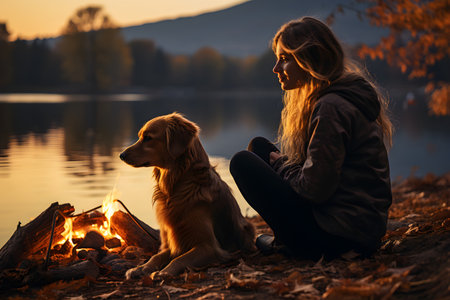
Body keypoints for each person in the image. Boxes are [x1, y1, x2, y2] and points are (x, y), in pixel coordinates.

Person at [229, 17, 393, 260]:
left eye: (284, 59)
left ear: (309, 59)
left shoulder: (331, 106)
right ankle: (286, 238)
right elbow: (320, 176)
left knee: (242, 162)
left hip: (340, 235)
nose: (276, 68)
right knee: (259, 148)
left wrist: (281, 166)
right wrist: (282, 165)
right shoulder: (338, 97)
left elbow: (314, 190)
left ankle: (292, 244)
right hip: (356, 227)